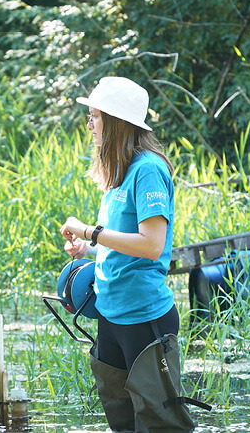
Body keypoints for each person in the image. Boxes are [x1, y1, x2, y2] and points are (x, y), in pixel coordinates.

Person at [59, 76, 199, 431]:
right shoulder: (118, 173)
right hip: (110, 314)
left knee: (159, 424)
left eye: (94, 116)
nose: (89, 124)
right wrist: (89, 247)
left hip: (145, 318)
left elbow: (152, 246)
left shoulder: (147, 170)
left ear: (116, 121)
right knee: (121, 422)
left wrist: (90, 230)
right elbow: (122, 242)